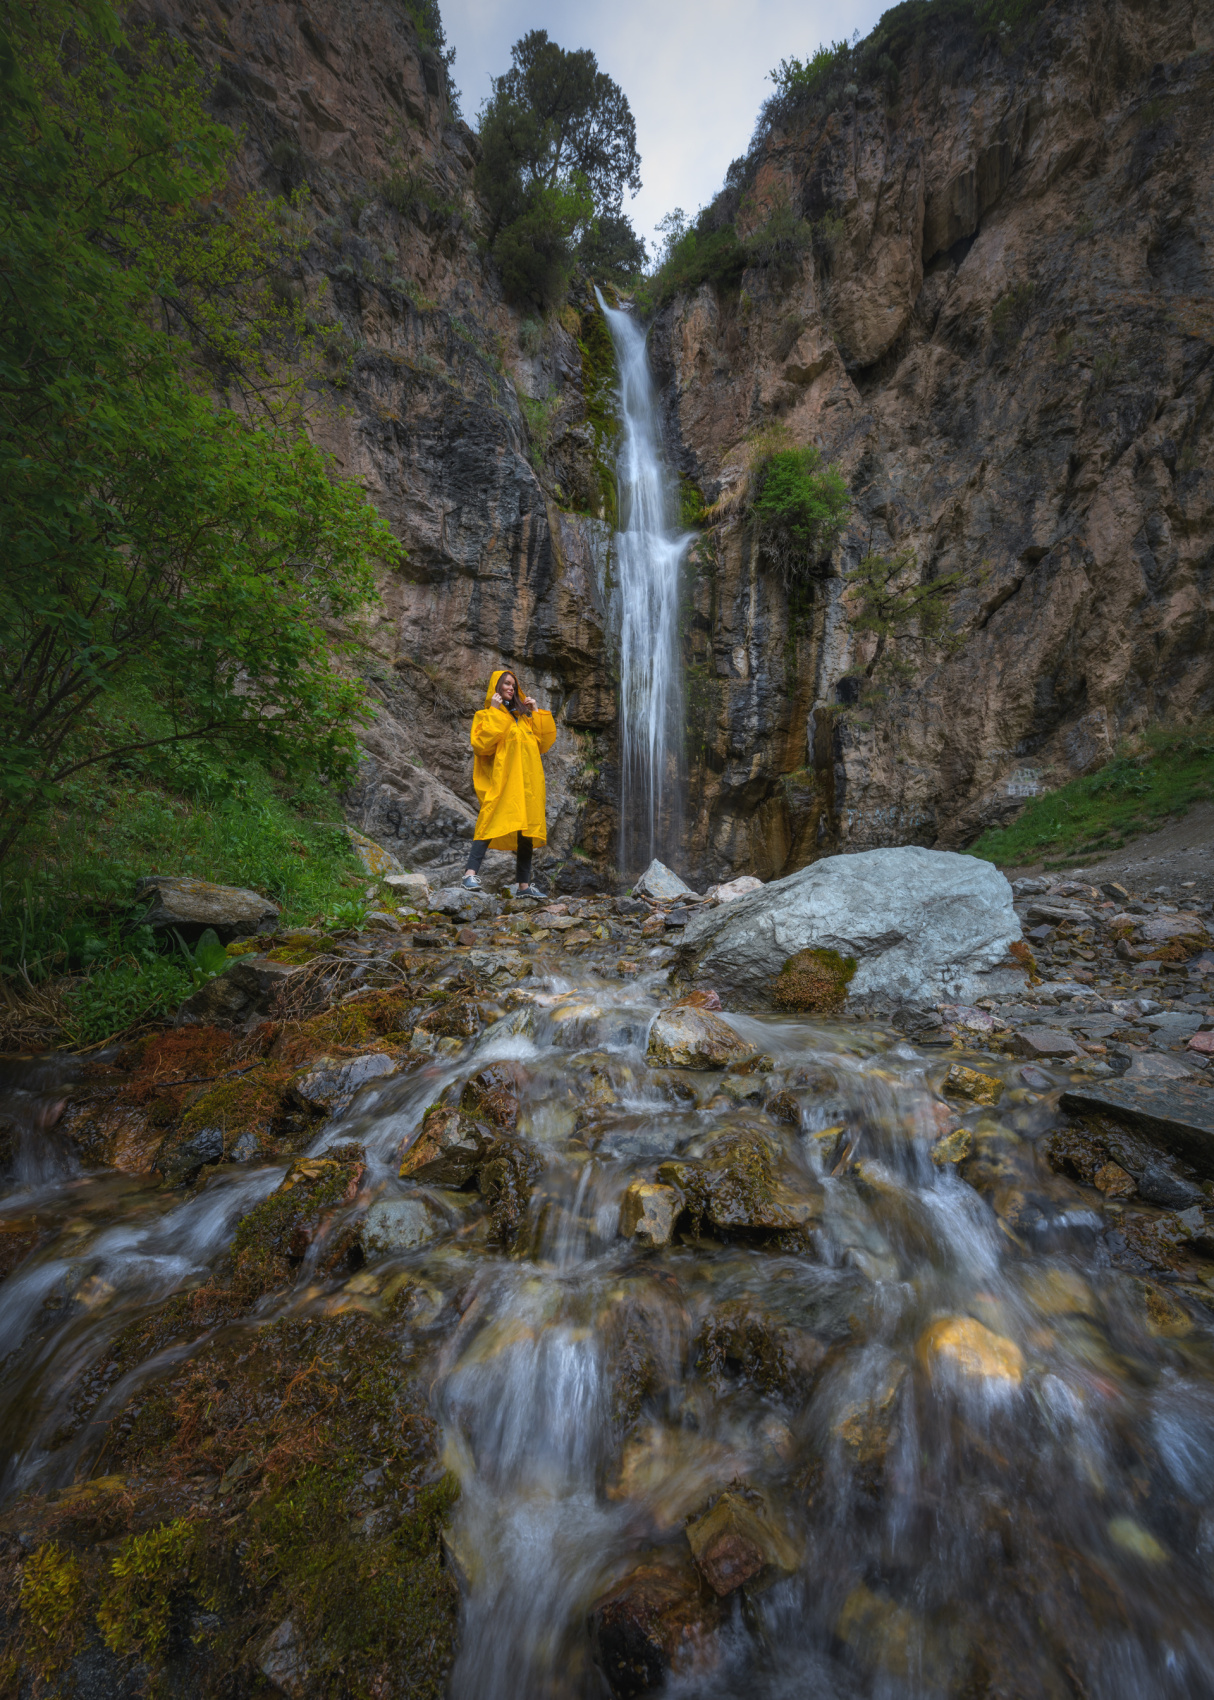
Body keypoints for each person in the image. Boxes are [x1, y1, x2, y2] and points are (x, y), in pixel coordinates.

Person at [462, 668, 557, 895]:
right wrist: (495, 711)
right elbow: (482, 745)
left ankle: (523, 886)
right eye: (505, 683)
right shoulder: (485, 715)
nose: (510, 687)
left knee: (527, 833)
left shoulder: (523, 720)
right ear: (496, 687)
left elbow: (542, 744)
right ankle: (469, 875)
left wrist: (535, 713)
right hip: (504, 781)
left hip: (528, 784)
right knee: (489, 820)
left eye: (513, 684)